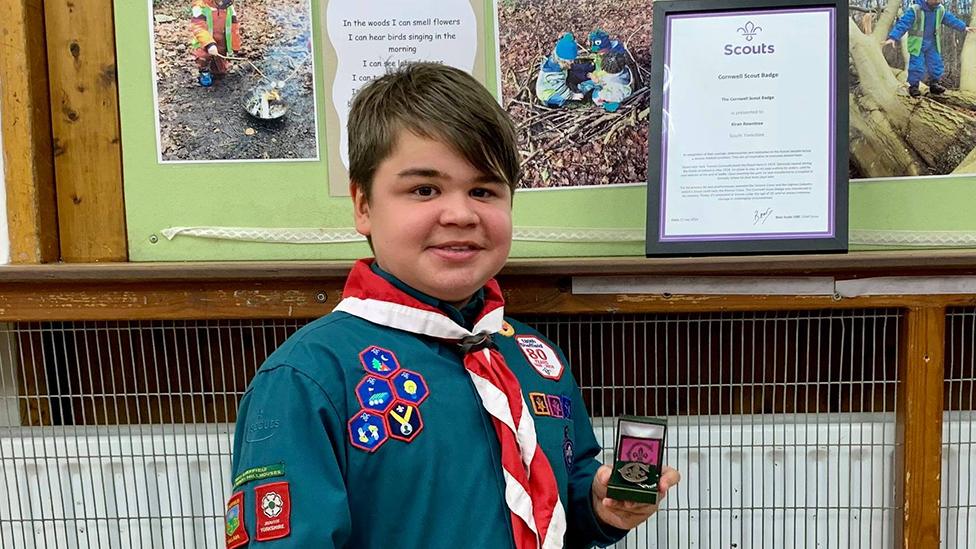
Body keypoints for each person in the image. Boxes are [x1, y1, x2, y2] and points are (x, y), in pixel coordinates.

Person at [226, 62, 680, 548]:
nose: (461, 214)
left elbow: (561, 503)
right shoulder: (308, 378)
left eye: (483, 190)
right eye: (424, 189)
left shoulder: (532, 358)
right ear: (363, 205)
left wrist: (599, 506)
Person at [883, 0, 976, 97]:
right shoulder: (915, 10)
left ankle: (934, 84)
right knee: (916, 66)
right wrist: (893, 37)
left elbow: (951, 20)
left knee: (936, 64)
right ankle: (914, 87)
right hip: (917, 44)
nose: (938, 1)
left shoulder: (940, 9)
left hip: (932, 43)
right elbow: (903, 24)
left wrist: (964, 27)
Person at [190, 0, 241, 87]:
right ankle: (204, 71)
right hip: (204, 43)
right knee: (203, 57)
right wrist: (209, 44)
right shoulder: (201, 6)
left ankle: (216, 70)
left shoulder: (229, 8)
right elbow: (198, 27)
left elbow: (234, 28)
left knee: (220, 71)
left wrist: (235, 46)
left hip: (221, 42)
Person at [536, 33, 584, 107]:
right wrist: (573, 96)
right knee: (562, 99)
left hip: (555, 85)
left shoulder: (558, 58)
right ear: (563, 60)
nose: (572, 62)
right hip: (548, 94)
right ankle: (561, 104)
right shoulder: (554, 73)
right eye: (570, 60)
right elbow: (560, 89)